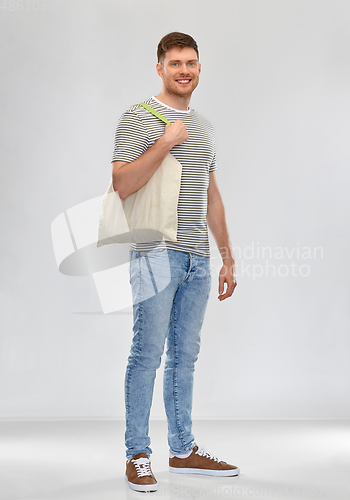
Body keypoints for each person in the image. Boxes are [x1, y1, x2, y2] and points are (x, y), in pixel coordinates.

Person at [111, 32, 239, 493]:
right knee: (146, 354)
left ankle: (183, 450)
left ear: (200, 68)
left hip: (197, 259)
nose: (184, 71)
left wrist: (226, 257)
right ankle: (138, 454)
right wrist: (165, 141)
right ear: (160, 68)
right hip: (154, 253)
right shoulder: (139, 117)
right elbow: (122, 183)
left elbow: (212, 196)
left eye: (191, 63)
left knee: (185, 357)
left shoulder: (204, 126)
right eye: (175, 63)